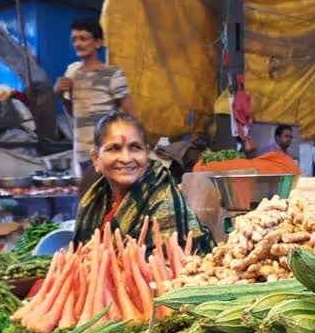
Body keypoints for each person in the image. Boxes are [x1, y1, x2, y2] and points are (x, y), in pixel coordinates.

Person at [73, 112, 216, 254]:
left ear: (147, 154)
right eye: (114, 148)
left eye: (135, 147)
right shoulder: (95, 199)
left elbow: (164, 271)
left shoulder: (164, 206)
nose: (126, 158)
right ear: (95, 159)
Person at [55, 17, 137, 176]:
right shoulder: (72, 72)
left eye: (83, 38)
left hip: (107, 153)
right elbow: (74, 114)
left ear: (98, 43)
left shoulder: (112, 74)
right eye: (74, 39)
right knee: (89, 198)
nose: (78, 44)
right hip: (82, 154)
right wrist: (60, 94)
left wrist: (131, 149)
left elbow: (130, 115)